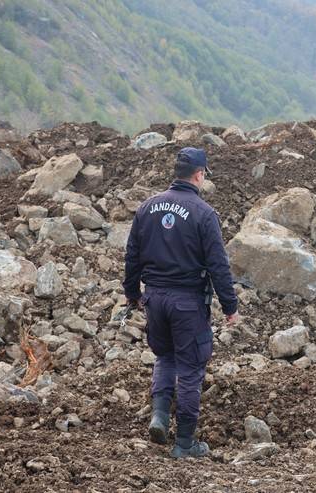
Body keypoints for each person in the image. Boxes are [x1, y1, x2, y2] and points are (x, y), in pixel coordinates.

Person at [123, 147, 239, 458]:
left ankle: (159, 417)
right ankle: (185, 443)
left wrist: (132, 293)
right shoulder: (204, 214)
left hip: (155, 299)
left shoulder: (146, 208)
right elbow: (218, 265)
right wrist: (230, 306)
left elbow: (132, 255)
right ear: (199, 175)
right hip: (187, 303)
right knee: (190, 369)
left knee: (165, 356)